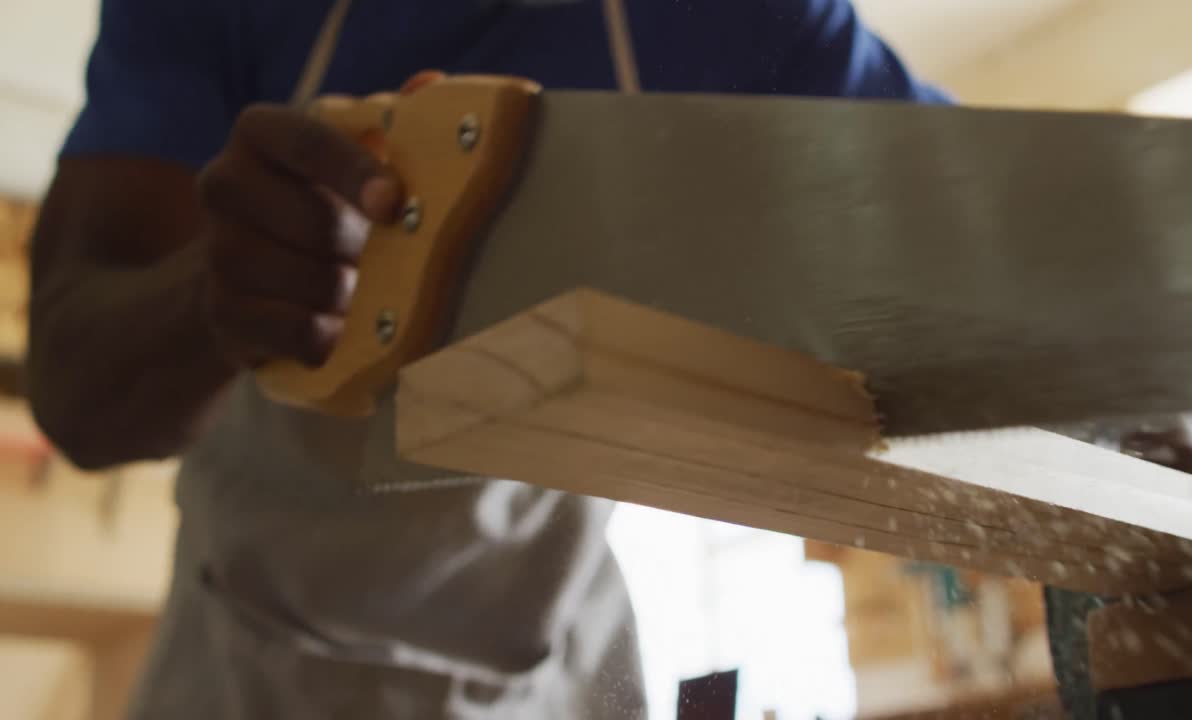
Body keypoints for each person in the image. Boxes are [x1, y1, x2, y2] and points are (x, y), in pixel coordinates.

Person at [25, 1, 948, 717]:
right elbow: (74, 392)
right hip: (246, 677)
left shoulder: (742, 22)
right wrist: (211, 295)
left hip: (554, 669)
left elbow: (981, 233)